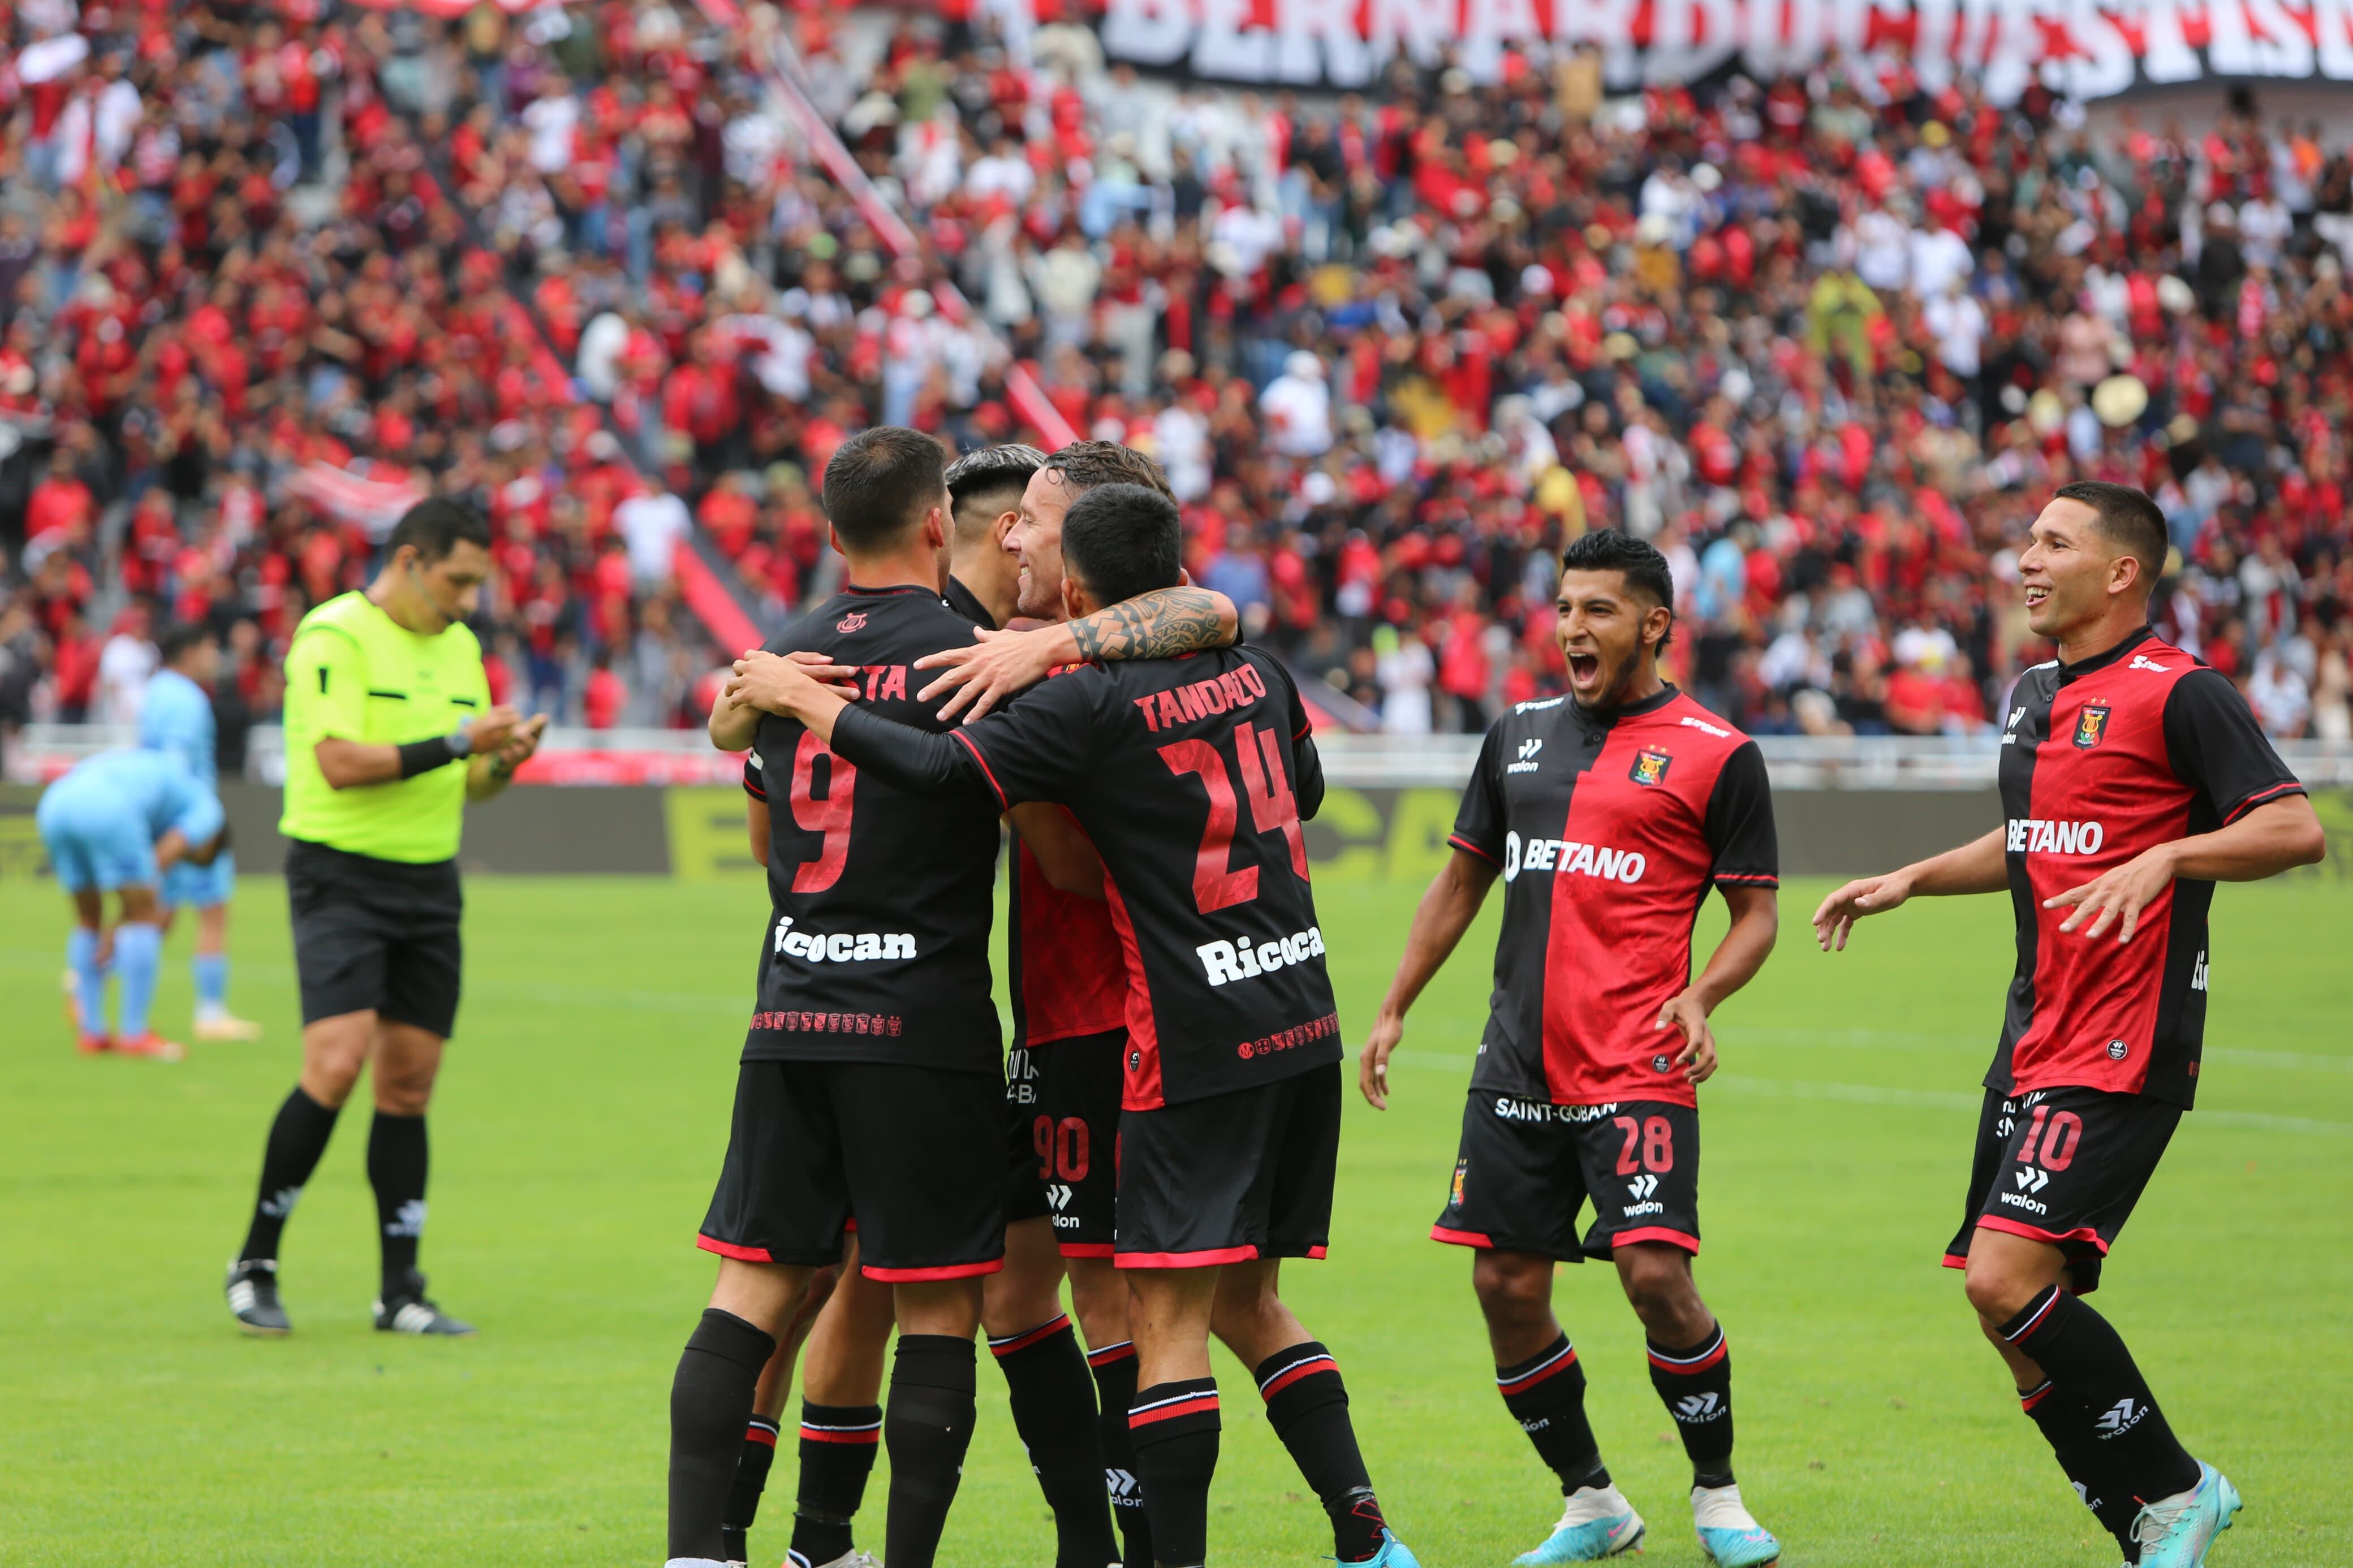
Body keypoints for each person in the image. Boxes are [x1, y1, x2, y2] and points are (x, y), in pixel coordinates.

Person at [727, 480, 1419, 1568]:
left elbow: (1031, 837)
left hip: (1130, 1021)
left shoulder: (1071, 684)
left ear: (1084, 571)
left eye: (1036, 519)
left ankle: (1135, 1550)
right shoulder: (1230, 660)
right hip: (1261, 1003)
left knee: (1132, 1301)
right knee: (1083, 1290)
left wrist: (806, 701)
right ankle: (1348, 1533)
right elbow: (1294, 765)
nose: (1016, 537)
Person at [693, 433, 1239, 1568]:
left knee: (918, 1289)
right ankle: (810, 1537)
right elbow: (1057, 850)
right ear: (970, 530)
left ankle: (783, 1542)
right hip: (942, 1020)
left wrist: (756, 710)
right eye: (1022, 522)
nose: (1031, 544)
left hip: (840, 998)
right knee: (904, 1291)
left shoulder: (819, 648)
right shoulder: (967, 656)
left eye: (1047, 525)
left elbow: (758, 812)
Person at [1812, 481, 2325, 1568]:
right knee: (2009, 1318)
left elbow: (2294, 827)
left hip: (2126, 1038)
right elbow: (2033, 836)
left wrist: (2170, 852)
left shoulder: (2183, 692)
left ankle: (2180, 1489)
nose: (2027, 560)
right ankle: (2140, 1524)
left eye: (2054, 542)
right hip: (2033, 1036)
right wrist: (1912, 876)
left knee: (2004, 1279)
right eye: (2028, 541)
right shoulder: (2032, 692)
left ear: (2122, 570)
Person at [1357, 528, 1785, 1568]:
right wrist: (1396, 1004)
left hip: (1637, 1061)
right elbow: (1462, 880)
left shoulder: (1719, 753)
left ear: (1654, 623)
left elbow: (1757, 915)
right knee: (1505, 1286)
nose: (1572, 629)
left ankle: (1718, 1493)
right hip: (1516, 1064)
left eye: (1597, 609)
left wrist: (1703, 994)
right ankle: (1591, 1499)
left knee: (1654, 1275)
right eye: (1563, 607)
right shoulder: (1516, 735)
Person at [223, 499, 546, 1339]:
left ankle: (400, 1290)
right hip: (341, 875)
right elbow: (337, 763)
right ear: (410, 561)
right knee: (334, 1064)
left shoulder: (462, 647)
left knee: (409, 1083)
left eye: (477, 585)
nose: (469, 601)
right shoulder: (334, 636)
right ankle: (255, 1262)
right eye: (457, 581)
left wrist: (502, 762)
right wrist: (459, 742)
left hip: (429, 883)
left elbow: (471, 784)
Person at [37, 746, 226, 1062]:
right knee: (145, 915)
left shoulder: (163, 779)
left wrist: (113, 927)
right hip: (106, 807)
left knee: (88, 919)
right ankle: (134, 1035)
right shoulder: (209, 811)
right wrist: (120, 926)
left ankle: (92, 1034)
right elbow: (159, 862)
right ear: (214, 840)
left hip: (55, 804)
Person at [140, 622, 262, 1042]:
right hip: (191, 823)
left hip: (166, 818)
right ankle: (211, 1013)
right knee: (213, 909)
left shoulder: (157, 690)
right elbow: (175, 764)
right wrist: (188, 825)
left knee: (158, 915)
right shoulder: (186, 699)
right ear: (190, 652)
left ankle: (92, 974)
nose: (216, 657)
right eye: (210, 648)